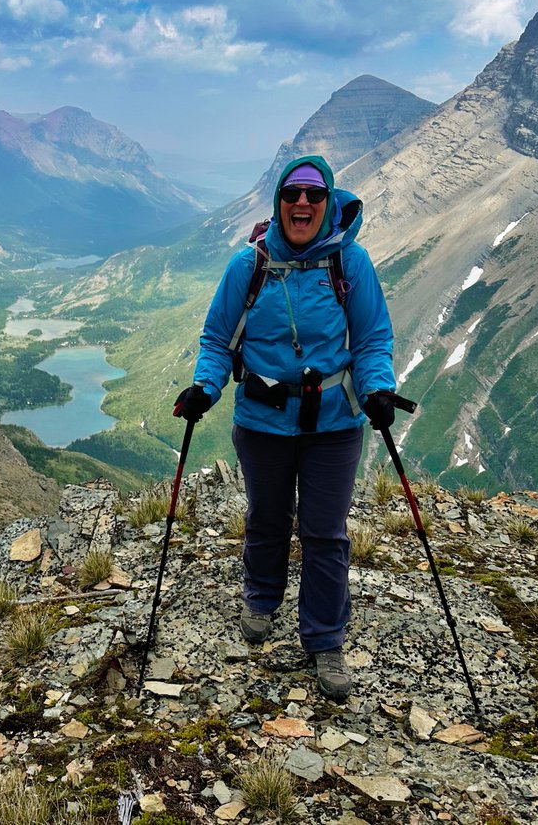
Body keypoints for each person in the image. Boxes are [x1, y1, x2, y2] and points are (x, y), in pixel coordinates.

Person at [173, 155, 397, 701]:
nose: (303, 203)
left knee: (325, 532)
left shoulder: (351, 264)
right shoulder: (247, 266)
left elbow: (371, 340)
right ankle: (262, 595)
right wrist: (205, 386)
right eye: (292, 193)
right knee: (267, 515)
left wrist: (376, 389)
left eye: (313, 195)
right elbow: (217, 340)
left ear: (328, 203)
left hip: (334, 424)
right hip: (262, 420)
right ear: (278, 201)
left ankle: (324, 637)